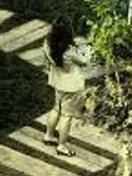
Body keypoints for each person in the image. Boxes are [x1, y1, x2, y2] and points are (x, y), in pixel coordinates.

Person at [42, 23, 99, 152]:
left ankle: (49, 135)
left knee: (56, 108)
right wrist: (89, 50)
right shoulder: (68, 51)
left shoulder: (48, 44)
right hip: (72, 86)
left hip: (57, 81)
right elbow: (86, 61)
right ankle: (62, 145)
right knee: (67, 116)